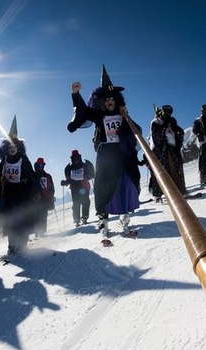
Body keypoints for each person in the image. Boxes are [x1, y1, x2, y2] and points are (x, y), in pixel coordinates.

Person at [67, 65, 141, 237]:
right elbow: (84, 111)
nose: (110, 102)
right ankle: (103, 217)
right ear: (100, 101)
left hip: (124, 155)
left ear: (117, 100)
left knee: (128, 182)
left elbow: (135, 131)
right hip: (107, 155)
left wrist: (126, 118)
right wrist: (75, 95)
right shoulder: (99, 115)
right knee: (104, 184)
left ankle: (125, 214)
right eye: (106, 99)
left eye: (112, 99)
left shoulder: (123, 114)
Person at [0, 123, 41, 256]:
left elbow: (31, 176)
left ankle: (23, 243)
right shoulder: (4, 161)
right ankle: (12, 244)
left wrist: (36, 190)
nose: (12, 148)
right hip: (9, 194)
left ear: (18, 146)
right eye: (9, 146)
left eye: (14, 146)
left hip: (22, 193)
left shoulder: (23, 159)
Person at [148, 104, 186, 201]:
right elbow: (156, 138)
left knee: (176, 168)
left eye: (169, 112)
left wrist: (178, 133)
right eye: (166, 111)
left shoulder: (172, 122)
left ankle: (178, 190)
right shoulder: (156, 122)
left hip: (172, 149)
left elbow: (179, 132)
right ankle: (158, 194)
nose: (168, 114)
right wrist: (163, 128)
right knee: (161, 170)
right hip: (160, 151)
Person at [61, 150, 94, 227]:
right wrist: (65, 182)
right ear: (72, 158)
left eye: (77, 158)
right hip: (75, 188)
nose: (76, 160)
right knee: (76, 203)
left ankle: (84, 217)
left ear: (79, 157)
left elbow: (89, 175)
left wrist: (92, 175)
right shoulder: (70, 168)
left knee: (85, 202)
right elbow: (69, 179)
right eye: (74, 158)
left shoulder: (84, 165)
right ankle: (77, 219)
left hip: (84, 186)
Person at [33, 157, 55, 237]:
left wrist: (51, 194)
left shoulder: (48, 176)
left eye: (42, 165)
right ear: (37, 165)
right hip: (35, 199)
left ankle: (41, 231)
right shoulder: (33, 175)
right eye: (40, 165)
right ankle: (37, 231)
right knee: (35, 215)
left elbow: (52, 187)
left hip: (45, 198)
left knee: (43, 214)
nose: (41, 166)